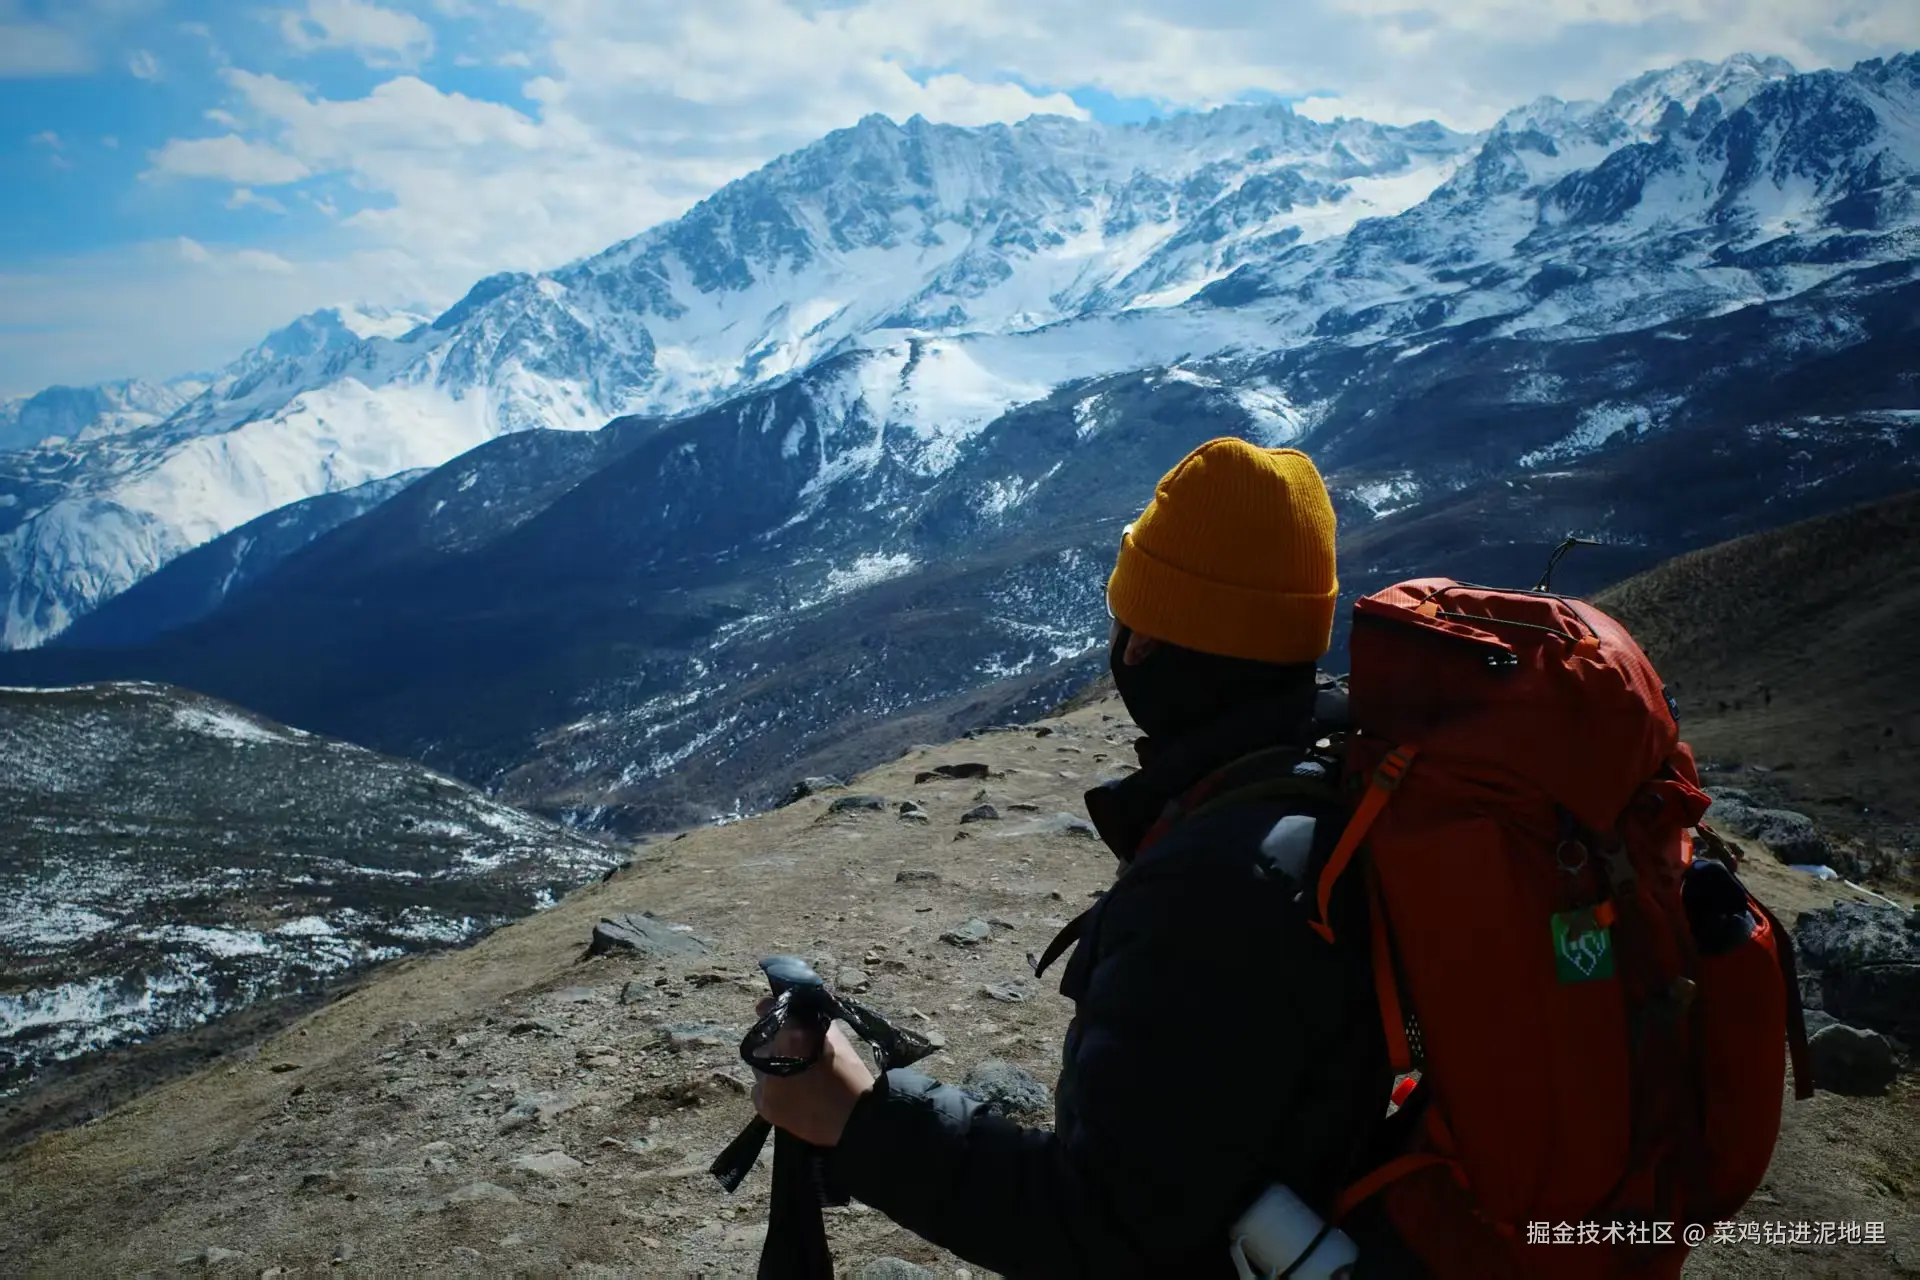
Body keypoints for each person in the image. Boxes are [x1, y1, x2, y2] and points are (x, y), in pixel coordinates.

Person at [751, 437, 1408, 1277]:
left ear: (1141, 645)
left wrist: (861, 1117)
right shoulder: (1338, 785)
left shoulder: (1211, 890)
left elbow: (1105, 1227)